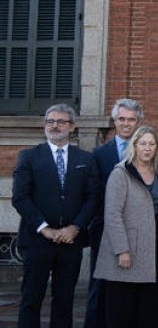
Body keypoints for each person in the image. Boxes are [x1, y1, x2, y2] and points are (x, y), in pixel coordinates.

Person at [13, 104, 99, 328]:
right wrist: (45, 228)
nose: (54, 126)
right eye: (50, 121)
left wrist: (75, 227)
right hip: (37, 241)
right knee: (31, 299)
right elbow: (20, 198)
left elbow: (93, 198)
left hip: (71, 241)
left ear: (72, 127)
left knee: (64, 300)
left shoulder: (86, 158)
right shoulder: (29, 157)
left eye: (61, 122)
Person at [93, 126, 158, 328]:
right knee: (121, 310)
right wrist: (122, 249)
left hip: (151, 247)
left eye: (152, 144)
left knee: (147, 311)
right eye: (143, 143)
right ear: (134, 146)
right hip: (127, 249)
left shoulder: (157, 172)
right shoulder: (120, 173)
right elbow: (112, 214)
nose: (147, 148)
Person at [87, 98, 143, 328]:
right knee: (99, 286)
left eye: (131, 119)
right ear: (114, 121)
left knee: (132, 287)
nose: (126, 124)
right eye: (122, 119)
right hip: (105, 230)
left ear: (138, 122)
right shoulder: (99, 154)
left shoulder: (147, 151)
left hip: (138, 232)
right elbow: (94, 193)